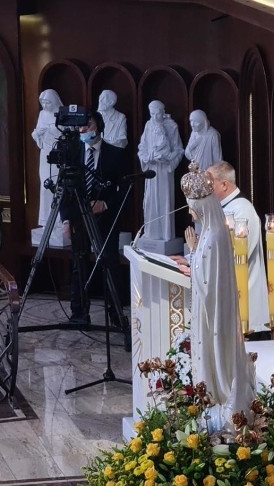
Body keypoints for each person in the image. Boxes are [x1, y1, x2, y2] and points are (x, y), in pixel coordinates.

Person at [179, 162, 256, 424]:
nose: (190, 211)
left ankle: (218, 393)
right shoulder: (214, 232)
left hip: (213, 313)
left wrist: (192, 252)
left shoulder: (212, 236)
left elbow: (205, 281)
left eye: (193, 206)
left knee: (217, 359)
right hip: (216, 308)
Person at [60, 111, 130, 326]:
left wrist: (106, 204)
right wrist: (66, 220)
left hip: (105, 218)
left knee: (109, 262)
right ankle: (79, 313)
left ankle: (116, 314)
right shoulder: (72, 153)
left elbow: (126, 190)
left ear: (98, 126)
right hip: (79, 218)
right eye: (80, 126)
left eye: (87, 125)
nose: (83, 130)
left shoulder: (116, 154)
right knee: (78, 264)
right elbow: (64, 188)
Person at [206, 161, 268, 333]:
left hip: (244, 300)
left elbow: (237, 254)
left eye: (209, 183)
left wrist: (201, 265)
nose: (205, 188)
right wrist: (191, 260)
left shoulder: (242, 210)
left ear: (224, 184)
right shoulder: (222, 208)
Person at [137, 100, 184, 242]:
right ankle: (151, 233)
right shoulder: (148, 125)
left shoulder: (171, 126)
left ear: (163, 112)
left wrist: (168, 159)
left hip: (164, 171)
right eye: (152, 114)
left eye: (158, 113)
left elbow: (179, 149)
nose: (155, 117)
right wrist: (146, 158)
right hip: (151, 170)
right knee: (150, 201)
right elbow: (142, 146)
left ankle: (165, 233)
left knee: (164, 200)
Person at [31, 89, 64, 228]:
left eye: (48, 102)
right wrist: (37, 133)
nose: (45, 106)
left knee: (59, 185)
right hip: (45, 152)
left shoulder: (62, 112)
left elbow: (66, 131)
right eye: (43, 103)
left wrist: (51, 131)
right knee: (45, 185)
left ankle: (61, 220)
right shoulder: (42, 114)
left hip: (59, 152)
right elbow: (37, 131)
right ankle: (46, 220)